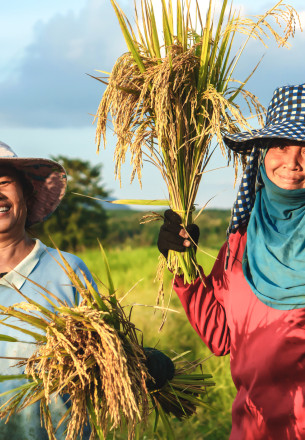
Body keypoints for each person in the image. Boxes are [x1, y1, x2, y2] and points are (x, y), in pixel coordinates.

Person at [158, 83, 305, 439]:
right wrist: (184, 265)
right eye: (281, 146)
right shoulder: (241, 241)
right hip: (252, 428)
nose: (293, 162)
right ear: (262, 153)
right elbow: (221, 336)